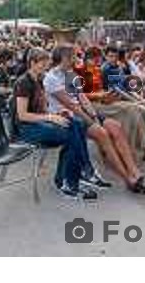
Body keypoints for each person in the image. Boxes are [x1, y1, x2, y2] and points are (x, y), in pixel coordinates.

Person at [44, 45, 145, 194]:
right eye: (73, 56)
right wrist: (92, 121)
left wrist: (94, 115)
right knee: (103, 134)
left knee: (115, 127)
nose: (76, 59)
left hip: (82, 113)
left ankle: (137, 173)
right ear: (64, 58)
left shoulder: (69, 73)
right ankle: (129, 179)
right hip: (68, 118)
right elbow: (72, 106)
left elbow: (82, 98)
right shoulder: (51, 78)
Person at [13, 48, 100, 200]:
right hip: (26, 129)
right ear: (32, 63)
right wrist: (50, 117)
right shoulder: (23, 82)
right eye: (43, 63)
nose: (46, 67)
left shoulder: (38, 80)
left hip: (39, 123)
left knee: (77, 124)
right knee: (71, 133)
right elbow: (22, 115)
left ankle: (72, 176)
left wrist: (55, 114)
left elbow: (42, 107)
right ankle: (71, 179)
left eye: (46, 63)